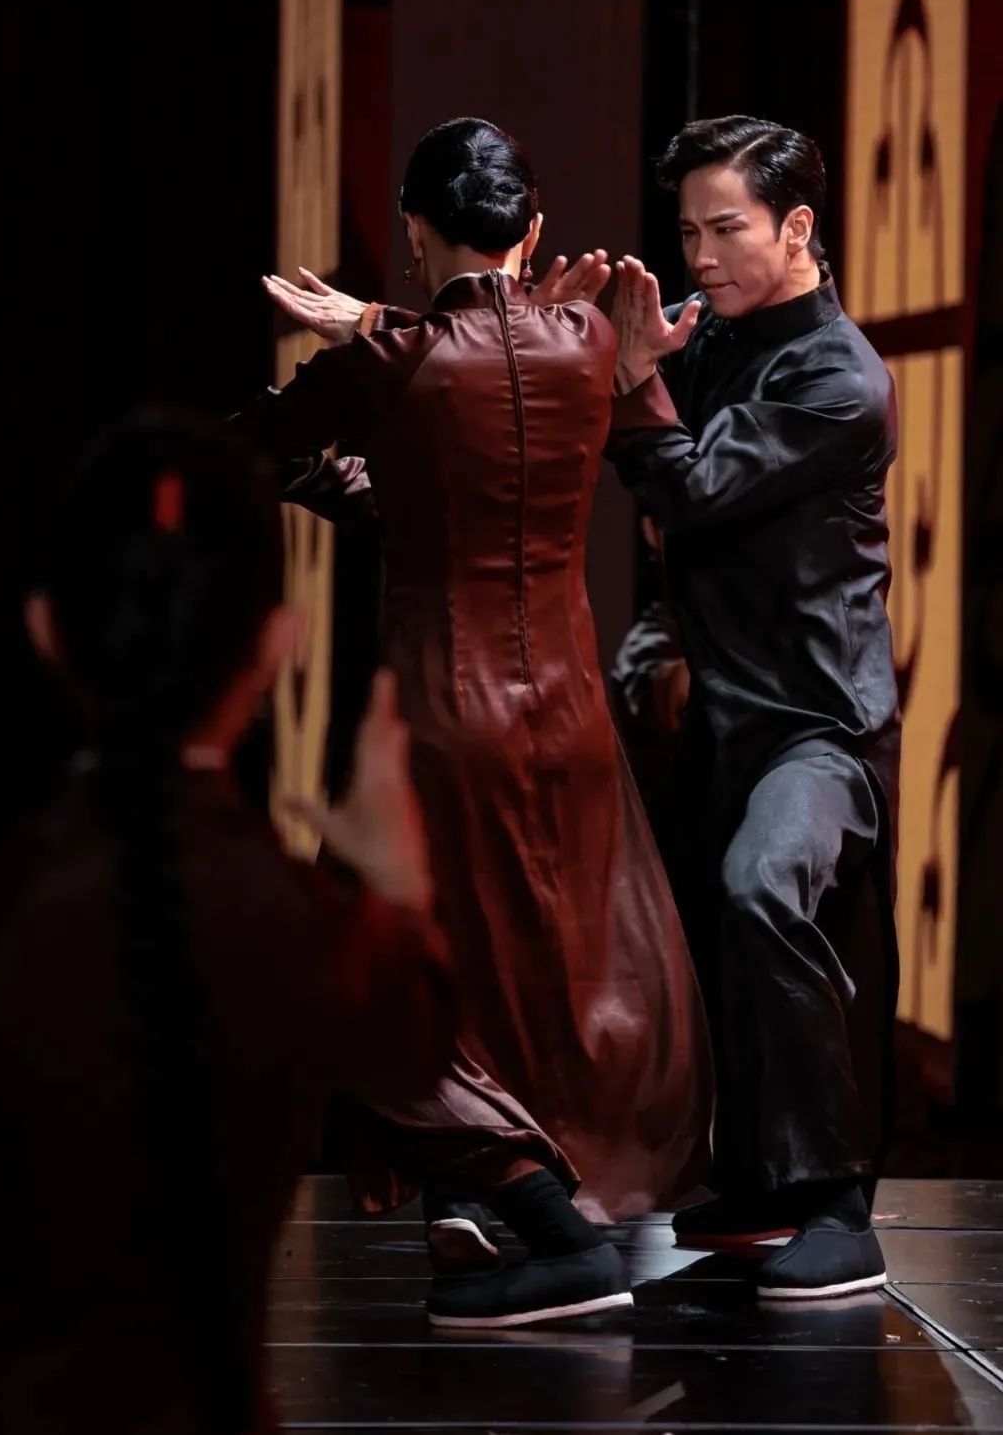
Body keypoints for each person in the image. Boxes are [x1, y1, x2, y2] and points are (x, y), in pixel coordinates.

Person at [234, 117, 712, 1329]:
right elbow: (522, 440)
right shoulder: (588, 338)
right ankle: (507, 1205)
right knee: (535, 966)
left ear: (413, 229)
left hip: (446, 718)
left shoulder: (393, 362)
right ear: (531, 231)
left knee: (364, 975)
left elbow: (247, 451)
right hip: (571, 713)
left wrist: (340, 383)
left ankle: (551, 1228)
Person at [0, 413, 456, 1435]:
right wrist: (399, 882)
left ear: (46, 628)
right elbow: (419, 1042)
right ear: (277, 642)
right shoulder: (306, 927)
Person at [605, 114, 901, 1301]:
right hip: (728, 711)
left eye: (726, 228)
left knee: (763, 889)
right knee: (695, 934)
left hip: (820, 726)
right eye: (688, 232)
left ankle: (836, 1204)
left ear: (797, 227)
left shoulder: (840, 378)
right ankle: (761, 1181)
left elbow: (692, 487)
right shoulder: (716, 340)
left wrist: (638, 379)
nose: (702, 254)